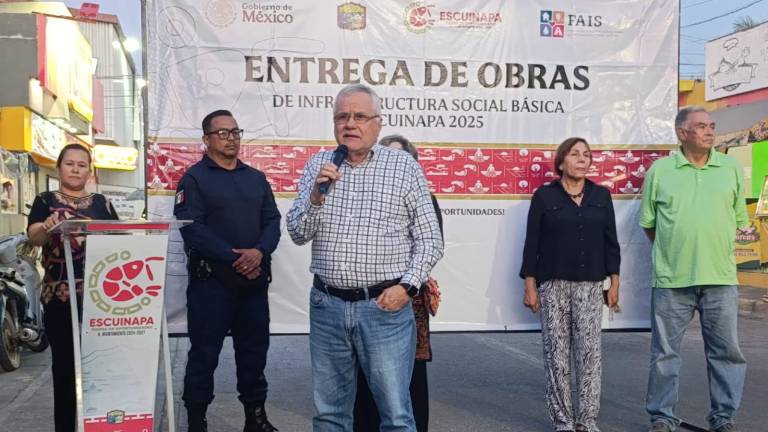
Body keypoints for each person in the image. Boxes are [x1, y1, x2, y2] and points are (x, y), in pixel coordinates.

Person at [286, 84, 444, 432]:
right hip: (327, 307)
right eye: (342, 116)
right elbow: (297, 233)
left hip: (383, 309)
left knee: (396, 415)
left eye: (359, 116)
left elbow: (431, 239)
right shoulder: (318, 165)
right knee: (329, 413)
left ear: (378, 123)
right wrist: (315, 197)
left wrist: (407, 287)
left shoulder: (403, 167)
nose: (350, 124)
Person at [641, 106, 748, 432]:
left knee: (727, 353)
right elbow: (649, 224)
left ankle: (723, 418)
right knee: (665, 355)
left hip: (721, 278)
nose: (710, 131)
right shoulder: (660, 171)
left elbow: (737, 218)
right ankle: (662, 417)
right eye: (701, 126)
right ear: (682, 133)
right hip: (672, 279)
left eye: (712, 126)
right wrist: (675, 251)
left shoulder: (729, 167)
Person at [174, 110, 282, 432]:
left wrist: (259, 252)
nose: (231, 137)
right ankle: (196, 422)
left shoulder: (255, 178)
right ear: (206, 140)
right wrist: (237, 258)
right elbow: (192, 229)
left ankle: (256, 419)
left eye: (235, 131)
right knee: (204, 358)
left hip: (252, 286)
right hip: (212, 286)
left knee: (253, 355)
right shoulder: (194, 179)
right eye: (222, 133)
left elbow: (272, 221)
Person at [519, 137, 620, 432]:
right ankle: (562, 421)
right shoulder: (544, 197)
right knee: (557, 356)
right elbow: (532, 243)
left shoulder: (601, 195)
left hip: (590, 286)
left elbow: (611, 242)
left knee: (590, 355)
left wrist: (614, 282)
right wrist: (530, 285)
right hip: (554, 285)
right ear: (561, 162)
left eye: (586, 155)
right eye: (575, 154)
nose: (582, 159)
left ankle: (587, 422)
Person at [353, 135, 443, 432]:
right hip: (366, 296)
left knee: (410, 375)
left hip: (408, 295)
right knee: (366, 373)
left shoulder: (426, 199)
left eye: (403, 159)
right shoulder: (362, 198)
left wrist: (406, 284)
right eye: (388, 157)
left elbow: (430, 246)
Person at [27, 144, 119, 432]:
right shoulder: (44, 200)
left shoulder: (102, 203)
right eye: (70, 164)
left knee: (100, 368)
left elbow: (118, 240)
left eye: (82, 164)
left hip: (101, 299)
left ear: (89, 170)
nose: (76, 169)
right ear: (59, 168)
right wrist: (47, 226)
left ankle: (102, 425)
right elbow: (35, 238)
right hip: (60, 299)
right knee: (65, 368)